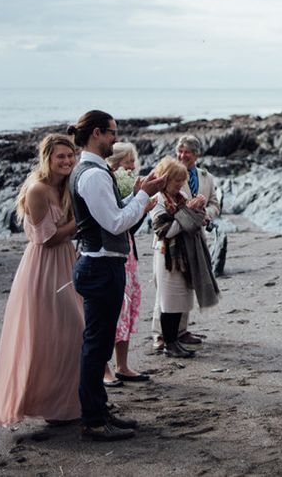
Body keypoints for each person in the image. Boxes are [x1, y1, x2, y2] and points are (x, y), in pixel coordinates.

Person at [68, 110, 166, 441]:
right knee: (96, 347)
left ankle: (99, 411)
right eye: (112, 132)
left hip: (102, 265)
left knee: (99, 345)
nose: (115, 138)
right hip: (100, 266)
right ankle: (94, 420)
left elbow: (111, 214)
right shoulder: (92, 175)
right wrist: (140, 197)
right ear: (96, 133)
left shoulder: (95, 172)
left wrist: (141, 193)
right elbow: (114, 223)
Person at [0, 134, 83, 426]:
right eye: (61, 157)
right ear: (47, 159)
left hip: (68, 261)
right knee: (62, 331)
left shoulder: (69, 186)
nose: (67, 161)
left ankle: (66, 404)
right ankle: (46, 402)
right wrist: (80, 221)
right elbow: (47, 238)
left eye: (70, 156)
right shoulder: (37, 190)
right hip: (44, 268)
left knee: (69, 335)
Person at [152, 135, 221, 351]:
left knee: (184, 288)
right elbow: (167, 221)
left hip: (195, 237)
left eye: (187, 152)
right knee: (165, 294)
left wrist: (205, 214)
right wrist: (190, 212)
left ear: (197, 154)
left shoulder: (206, 177)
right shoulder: (164, 184)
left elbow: (215, 204)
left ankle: (180, 332)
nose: (182, 155)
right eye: (179, 151)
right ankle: (160, 336)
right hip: (169, 245)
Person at [103, 142, 153, 387]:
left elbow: (130, 228)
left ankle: (122, 364)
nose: (133, 167)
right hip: (112, 255)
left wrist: (142, 210)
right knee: (111, 313)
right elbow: (117, 223)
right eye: (129, 162)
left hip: (129, 253)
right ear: (115, 164)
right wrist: (137, 202)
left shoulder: (127, 184)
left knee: (127, 308)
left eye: (134, 162)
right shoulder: (107, 184)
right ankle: (105, 368)